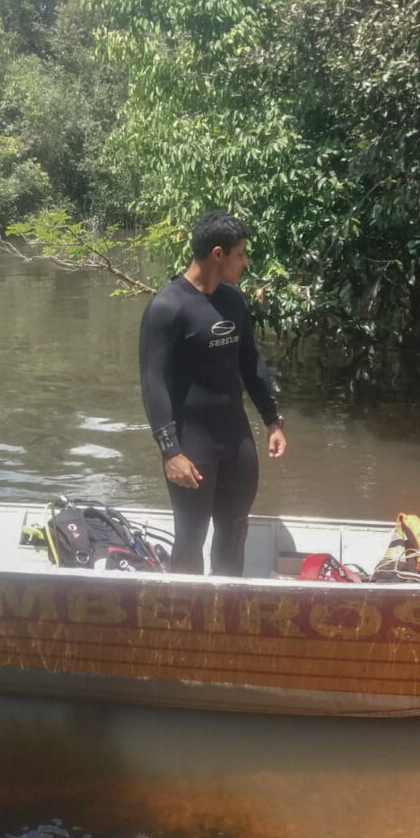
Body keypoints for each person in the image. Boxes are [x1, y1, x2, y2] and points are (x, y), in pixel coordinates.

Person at [139, 211, 287, 576]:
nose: (246, 261)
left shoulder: (234, 301)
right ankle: (185, 620)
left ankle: (225, 616)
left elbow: (251, 362)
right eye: (241, 253)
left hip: (236, 442)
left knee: (235, 531)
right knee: (191, 536)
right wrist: (170, 451)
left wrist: (273, 420)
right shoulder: (167, 307)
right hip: (192, 444)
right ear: (218, 254)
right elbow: (152, 382)